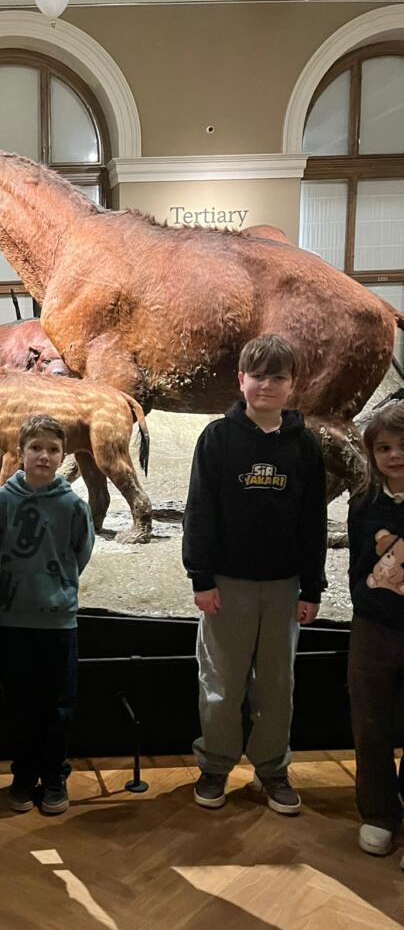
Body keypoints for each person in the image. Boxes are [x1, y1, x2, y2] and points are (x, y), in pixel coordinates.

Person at [182, 334, 327, 815]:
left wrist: (312, 586)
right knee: (221, 683)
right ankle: (215, 765)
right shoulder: (217, 439)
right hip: (227, 585)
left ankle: (272, 769)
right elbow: (199, 511)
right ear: (241, 379)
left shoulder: (304, 445)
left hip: (284, 587)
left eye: (278, 377)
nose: (267, 385)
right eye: (258, 376)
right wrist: (201, 578)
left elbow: (313, 521)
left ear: (292, 384)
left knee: (277, 686)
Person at [0, 415, 94, 815]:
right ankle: (23, 774)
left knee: (57, 704)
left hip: (58, 621)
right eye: (36, 448)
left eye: (53, 449)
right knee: (19, 703)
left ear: (63, 455)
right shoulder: (1, 502)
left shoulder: (73, 505)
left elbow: (81, 551)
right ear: (21, 452)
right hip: (15, 620)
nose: (44, 456)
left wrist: (58, 586)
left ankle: (53, 776)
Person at [346, 400, 404, 867]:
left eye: (403, 446)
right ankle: (379, 812)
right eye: (384, 447)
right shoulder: (363, 503)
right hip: (373, 627)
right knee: (371, 721)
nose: (394, 455)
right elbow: (358, 564)